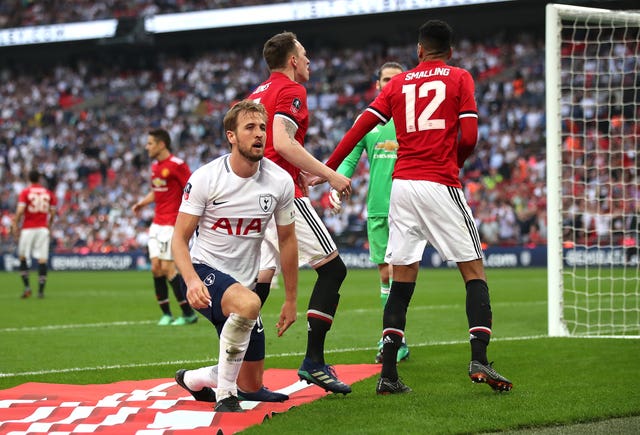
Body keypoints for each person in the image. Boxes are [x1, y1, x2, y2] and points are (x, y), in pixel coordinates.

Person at [325, 20, 513, 394]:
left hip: (402, 188)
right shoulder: (460, 78)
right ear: (451, 50)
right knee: (474, 270)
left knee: (401, 278)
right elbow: (471, 135)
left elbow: (362, 124)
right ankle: (479, 358)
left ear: (419, 50)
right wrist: (454, 161)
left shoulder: (396, 84)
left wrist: (329, 165)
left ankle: (389, 374)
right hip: (439, 181)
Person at [171, 99, 298, 412]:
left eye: (263, 128)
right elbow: (179, 238)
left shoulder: (280, 181)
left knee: (251, 384)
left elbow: (288, 240)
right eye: (250, 128)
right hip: (204, 271)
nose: (259, 135)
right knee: (249, 304)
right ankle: (225, 396)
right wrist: (190, 280)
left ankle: (194, 379)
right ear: (231, 136)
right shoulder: (206, 178)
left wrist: (292, 299)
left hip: (243, 283)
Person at [246, 31, 353, 395]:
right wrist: (330, 174)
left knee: (257, 286)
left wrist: (301, 171)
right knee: (333, 269)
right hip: (281, 198)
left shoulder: (257, 93)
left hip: (254, 195)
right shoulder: (291, 90)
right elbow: (281, 142)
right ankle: (314, 362)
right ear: (292, 60)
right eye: (304, 55)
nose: (308, 61)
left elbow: (265, 147)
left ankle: (231, 370)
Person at [328, 61, 411, 364]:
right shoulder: (368, 122)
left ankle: (393, 336)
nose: (390, 84)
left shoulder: (410, 119)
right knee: (384, 274)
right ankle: (396, 337)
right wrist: (336, 187)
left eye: (395, 79)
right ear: (377, 84)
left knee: (396, 271)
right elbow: (349, 161)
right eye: (385, 79)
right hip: (377, 207)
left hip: (405, 207)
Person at [132, 128, 198, 326]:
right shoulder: (155, 167)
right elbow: (157, 191)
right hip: (157, 222)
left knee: (169, 268)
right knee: (156, 268)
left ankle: (188, 313)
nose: (147, 147)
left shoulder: (178, 165)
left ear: (161, 144)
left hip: (172, 223)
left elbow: (192, 188)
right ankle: (167, 314)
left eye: (150, 143)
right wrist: (142, 203)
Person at [11, 169, 57, 299]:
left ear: (29, 179)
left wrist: (15, 224)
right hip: (43, 228)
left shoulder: (25, 192)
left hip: (29, 228)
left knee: (23, 257)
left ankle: (27, 287)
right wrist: (49, 224)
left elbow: (20, 211)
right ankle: (41, 291)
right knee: (42, 259)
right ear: (39, 179)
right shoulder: (48, 193)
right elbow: (52, 212)